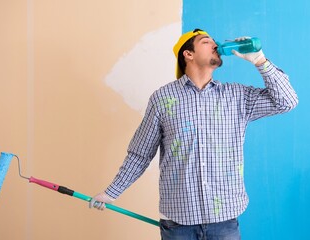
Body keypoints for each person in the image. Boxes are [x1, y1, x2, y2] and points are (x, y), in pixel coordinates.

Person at [89, 29, 298, 240]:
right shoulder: (163, 99)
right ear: (188, 54)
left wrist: (260, 60)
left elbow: (287, 101)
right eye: (206, 42)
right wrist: (111, 193)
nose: (215, 44)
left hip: (224, 221)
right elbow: (140, 154)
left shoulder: (237, 97)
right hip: (178, 224)